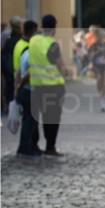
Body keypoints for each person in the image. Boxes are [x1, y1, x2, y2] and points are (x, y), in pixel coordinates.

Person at [29, 14, 68, 158]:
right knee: (51, 119)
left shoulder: (33, 40)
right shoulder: (52, 44)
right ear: (54, 27)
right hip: (53, 87)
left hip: (36, 86)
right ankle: (50, 147)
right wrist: (66, 73)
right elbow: (61, 67)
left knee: (35, 117)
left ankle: (34, 145)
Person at [14, 19, 40, 159]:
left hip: (25, 91)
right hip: (30, 90)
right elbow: (29, 73)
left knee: (28, 120)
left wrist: (17, 87)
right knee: (29, 122)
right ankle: (25, 148)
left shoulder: (25, 50)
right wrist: (20, 85)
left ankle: (25, 147)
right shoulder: (32, 52)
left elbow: (18, 71)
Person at [87, 26, 105, 112]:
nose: (102, 37)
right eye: (101, 35)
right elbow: (89, 56)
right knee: (99, 82)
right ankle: (100, 93)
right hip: (96, 66)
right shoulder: (93, 45)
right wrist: (92, 59)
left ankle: (103, 103)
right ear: (97, 36)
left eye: (103, 35)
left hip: (104, 66)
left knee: (104, 83)